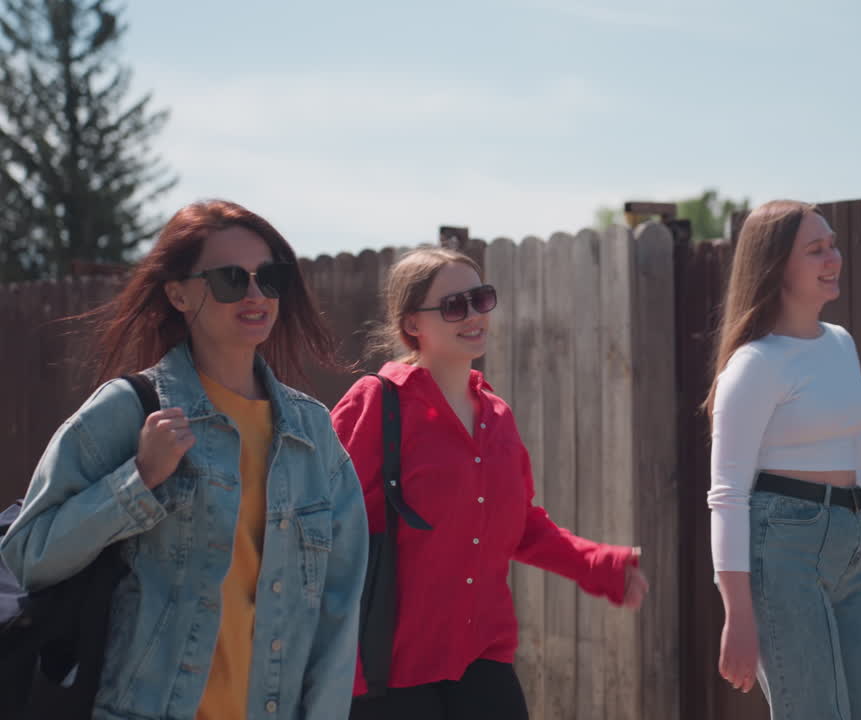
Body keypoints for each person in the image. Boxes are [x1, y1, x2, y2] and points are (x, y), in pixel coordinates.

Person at [0, 200, 369, 720]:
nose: (256, 294)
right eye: (230, 279)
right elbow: (28, 555)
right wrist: (138, 482)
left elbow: (337, 610)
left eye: (270, 277)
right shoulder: (126, 411)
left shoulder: (313, 436)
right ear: (177, 293)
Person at [333, 247, 649, 720]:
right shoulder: (377, 403)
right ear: (412, 324)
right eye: (454, 306)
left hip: (483, 654)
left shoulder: (497, 416)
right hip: (391, 670)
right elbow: (321, 523)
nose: (474, 315)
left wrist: (600, 566)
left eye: (480, 299)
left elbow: (519, 525)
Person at [706, 200, 861, 720]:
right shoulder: (754, 365)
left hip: (845, 553)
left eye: (832, 245)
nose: (833, 257)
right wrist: (737, 616)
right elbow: (727, 496)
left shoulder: (840, 344)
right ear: (775, 265)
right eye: (815, 250)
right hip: (780, 555)